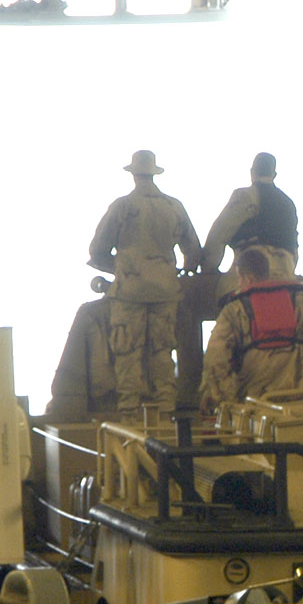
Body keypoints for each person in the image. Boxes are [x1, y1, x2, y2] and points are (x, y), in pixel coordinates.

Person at [89, 149, 202, 420]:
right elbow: (194, 252)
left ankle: (129, 417)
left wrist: (120, 267)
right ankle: (167, 414)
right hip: (165, 291)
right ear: (154, 173)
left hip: (130, 292)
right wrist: (177, 271)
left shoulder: (123, 207)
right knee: (163, 352)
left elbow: (97, 251)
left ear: (134, 174)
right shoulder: (174, 206)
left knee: (127, 353)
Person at [199, 247, 303, 414]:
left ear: (248, 278)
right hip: (301, 396)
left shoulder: (234, 311)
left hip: (254, 402)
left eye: (240, 278)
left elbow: (215, 360)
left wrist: (220, 399)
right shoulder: (301, 301)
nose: (239, 283)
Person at [203, 151, 299, 280]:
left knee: (224, 297)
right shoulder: (288, 203)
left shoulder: (245, 196)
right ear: (274, 174)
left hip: (250, 271)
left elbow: (219, 234)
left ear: (252, 171)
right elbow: (294, 249)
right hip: (285, 274)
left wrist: (208, 268)